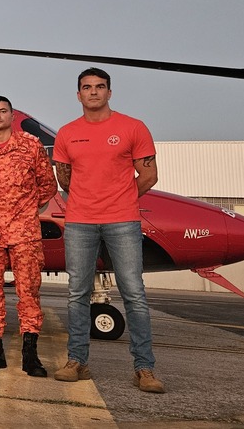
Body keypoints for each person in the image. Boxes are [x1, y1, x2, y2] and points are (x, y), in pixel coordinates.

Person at [52, 67, 164, 393]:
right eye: (87, 87)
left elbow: (149, 175)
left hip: (123, 220)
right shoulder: (66, 133)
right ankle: (77, 362)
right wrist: (90, 200)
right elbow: (65, 179)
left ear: (109, 93)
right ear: (78, 95)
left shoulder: (133, 127)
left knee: (134, 293)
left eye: (100, 87)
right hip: (80, 222)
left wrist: (120, 198)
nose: (93, 92)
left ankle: (144, 369)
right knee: (77, 293)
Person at [0, 96, 57, 376]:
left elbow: (47, 185)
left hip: (23, 232)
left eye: (2, 111)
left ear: (11, 115)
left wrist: (25, 207)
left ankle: (31, 354)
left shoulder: (31, 146)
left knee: (28, 291)